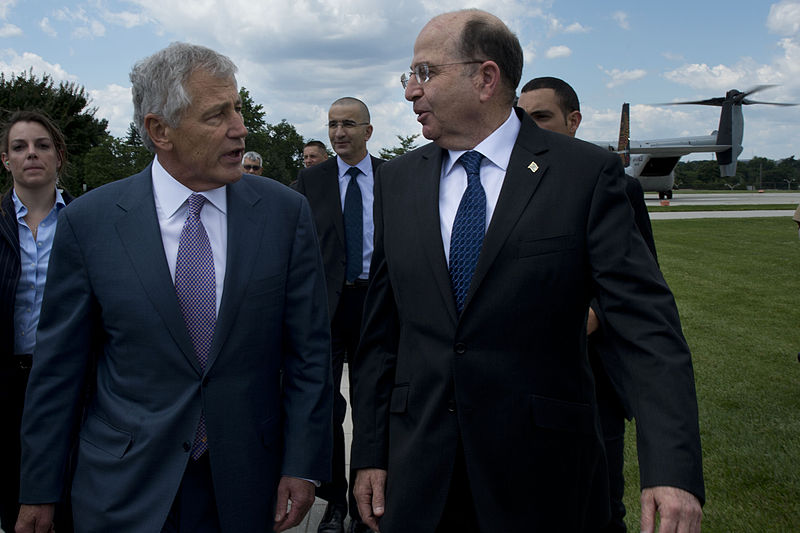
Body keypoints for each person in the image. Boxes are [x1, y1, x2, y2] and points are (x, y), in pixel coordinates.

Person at [350, 9, 704, 533]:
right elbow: (380, 335)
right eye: (410, 76)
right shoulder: (398, 182)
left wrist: (671, 471)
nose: (409, 92)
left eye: (425, 73)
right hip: (420, 473)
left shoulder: (584, 175)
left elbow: (647, 328)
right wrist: (371, 451)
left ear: (485, 78)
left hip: (544, 476)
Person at [16, 42, 332, 533]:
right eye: (216, 114)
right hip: (123, 487)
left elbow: (310, 354)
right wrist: (39, 489)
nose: (240, 127)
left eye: (238, 107)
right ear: (160, 130)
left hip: (246, 484)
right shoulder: (90, 223)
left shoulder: (284, 214)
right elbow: (59, 370)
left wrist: (303, 462)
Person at [520, 76, 659, 532]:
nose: (531, 128)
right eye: (523, 118)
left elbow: (638, 283)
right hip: (525, 376)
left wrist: (593, 316)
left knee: (599, 503)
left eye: (542, 117)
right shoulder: (511, 187)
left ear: (573, 120)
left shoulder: (617, 185)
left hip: (592, 376)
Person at [295, 98, 382, 533]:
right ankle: (332, 503)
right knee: (325, 407)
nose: (339, 132)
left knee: (373, 404)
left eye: (349, 123)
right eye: (332, 124)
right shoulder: (310, 181)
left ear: (368, 130)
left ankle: (368, 502)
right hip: (325, 308)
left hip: (376, 306)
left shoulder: (393, 178)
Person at [0, 110, 74, 533]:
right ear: (5, 160)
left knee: (63, 497)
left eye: (42, 145)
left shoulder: (84, 221)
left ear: (58, 155)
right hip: (7, 378)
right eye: (19, 147)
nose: (31, 154)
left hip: (65, 378)